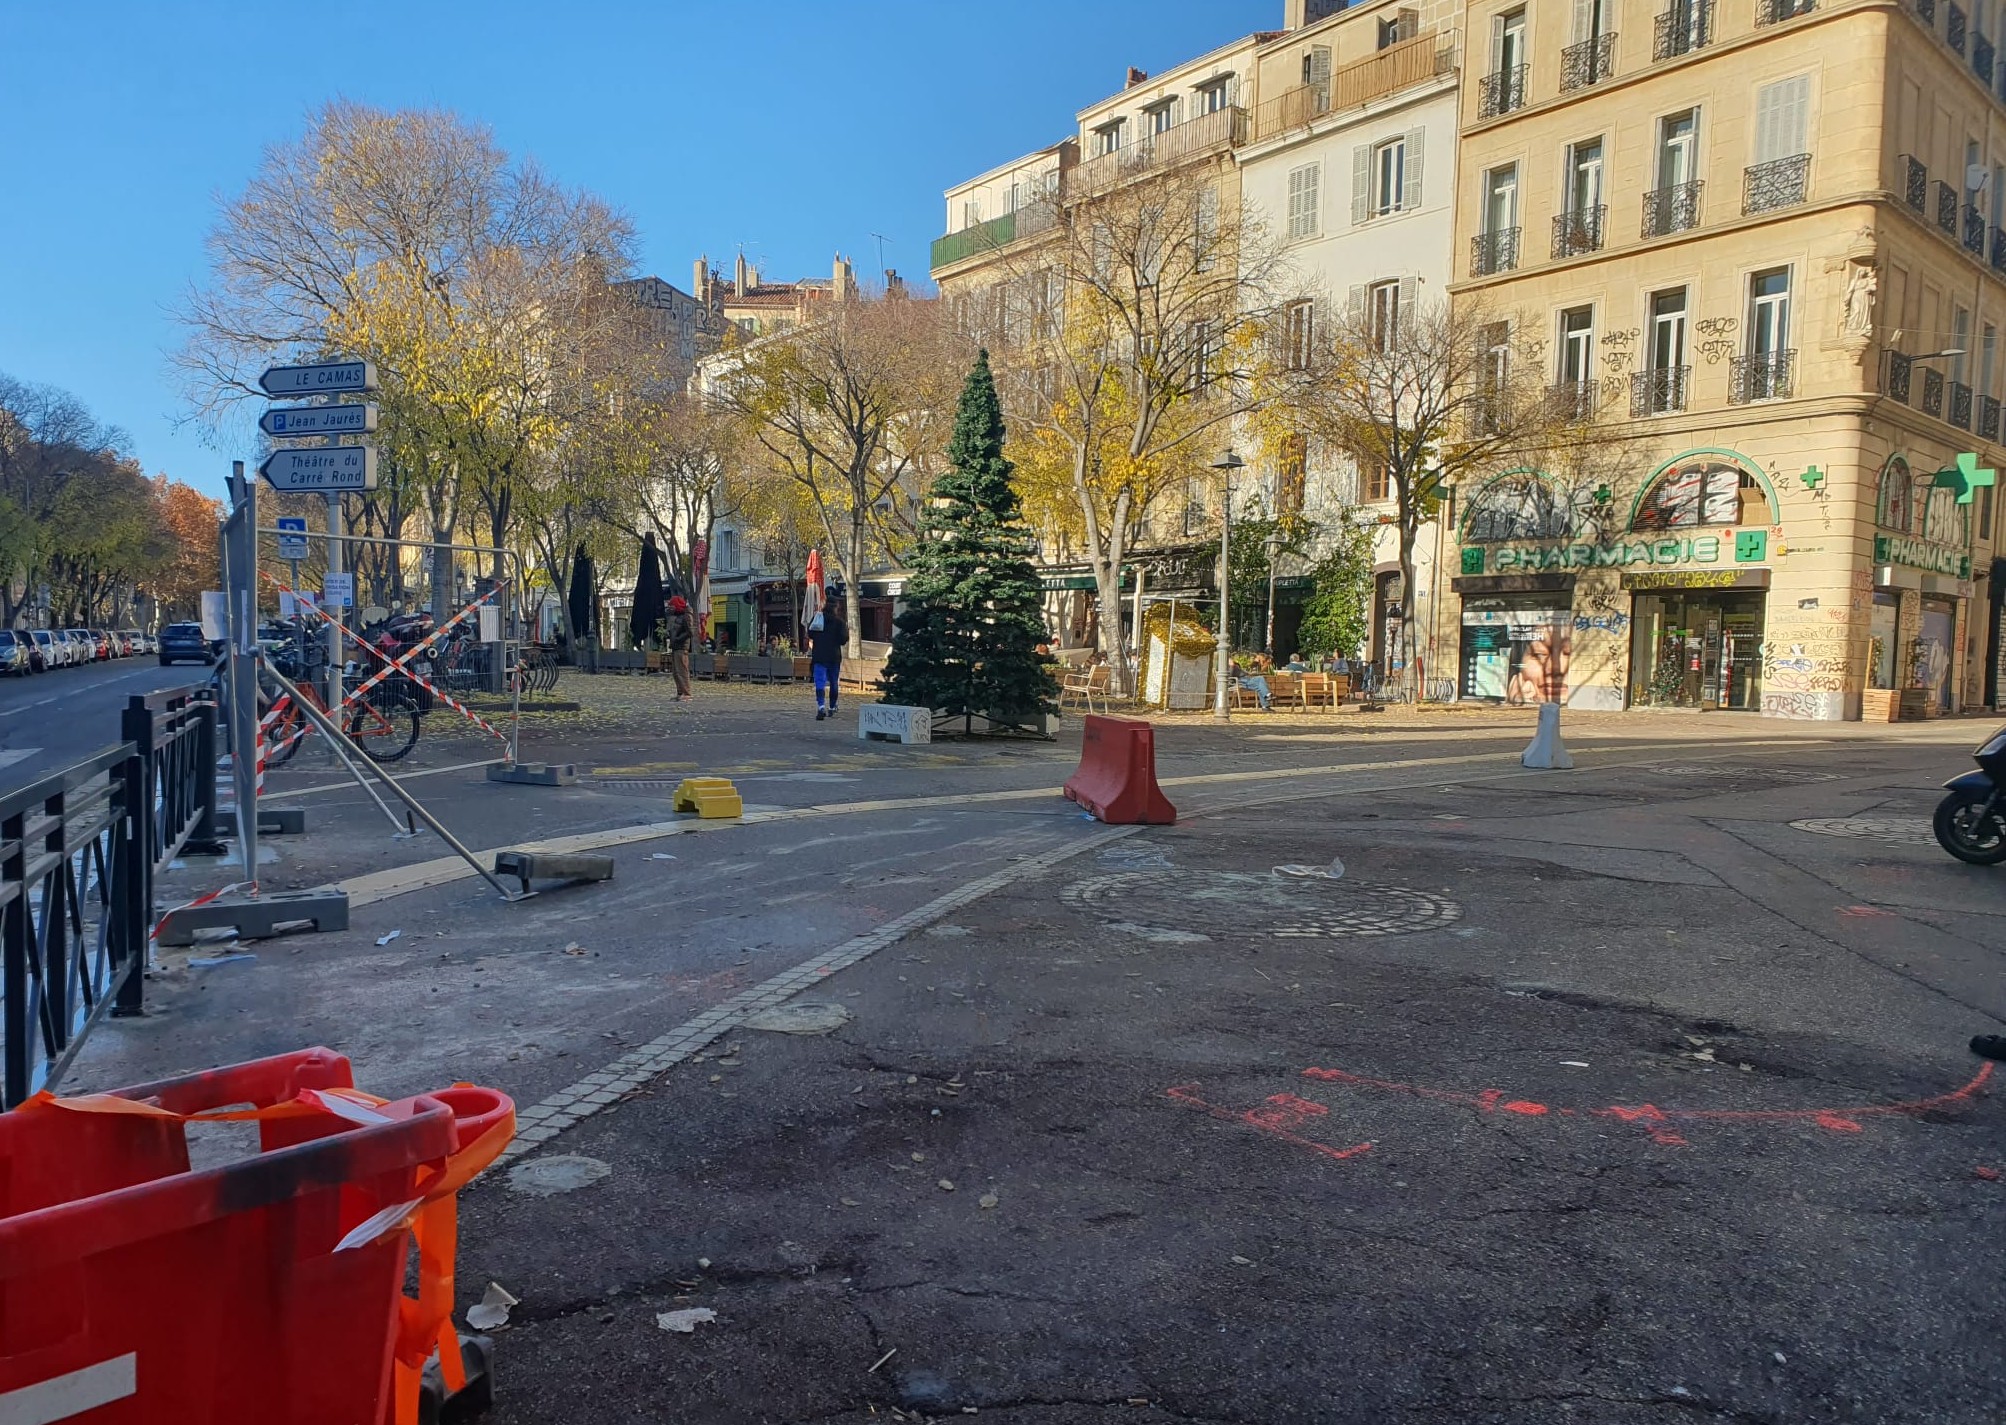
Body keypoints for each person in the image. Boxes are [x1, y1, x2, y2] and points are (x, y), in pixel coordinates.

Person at [808, 594, 848, 720]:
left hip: (819, 656)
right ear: (836, 607)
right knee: (834, 682)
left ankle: (821, 706)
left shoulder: (818, 618)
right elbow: (843, 640)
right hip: (834, 656)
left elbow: (810, 633)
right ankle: (831, 707)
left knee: (820, 682)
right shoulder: (839, 622)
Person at [664, 595, 694, 700]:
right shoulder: (675, 616)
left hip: (681, 646)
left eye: (672, 606)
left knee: (682, 671)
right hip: (675, 646)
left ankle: (686, 693)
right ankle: (680, 692)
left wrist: (677, 639)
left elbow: (690, 632)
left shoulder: (686, 616)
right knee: (676, 672)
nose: (670, 608)